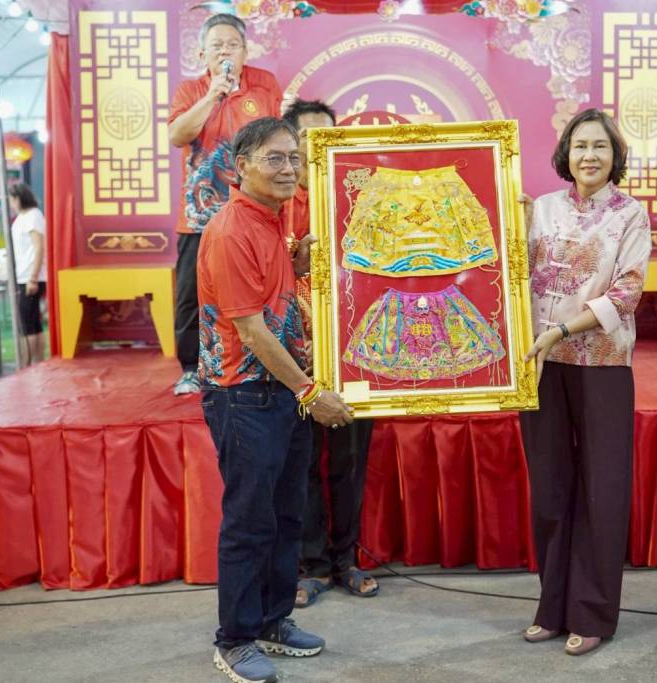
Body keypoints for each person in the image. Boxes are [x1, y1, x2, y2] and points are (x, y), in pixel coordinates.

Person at [199, 116, 354, 683]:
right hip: (245, 394)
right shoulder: (230, 230)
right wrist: (311, 391)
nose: (289, 169)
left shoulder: (271, 219)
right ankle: (235, 639)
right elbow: (251, 331)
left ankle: (272, 620)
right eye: (275, 158)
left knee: (287, 514)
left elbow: (266, 293)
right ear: (242, 166)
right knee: (250, 520)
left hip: (282, 393)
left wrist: (294, 264)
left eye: (294, 158)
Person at [517, 108, 651, 656]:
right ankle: (552, 606)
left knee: (602, 491)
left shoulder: (630, 214)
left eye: (599, 146)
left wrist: (561, 330)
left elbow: (628, 292)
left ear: (614, 155)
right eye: (580, 146)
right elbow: (511, 273)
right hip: (539, 365)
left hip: (602, 365)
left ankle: (592, 612)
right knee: (550, 489)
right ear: (565, 154)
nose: (589, 155)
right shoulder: (541, 209)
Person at [281, 98, 379, 607]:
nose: (318, 148)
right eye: (307, 139)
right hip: (291, 360)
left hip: (354, 354)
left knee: (350, 460)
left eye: (328, 137)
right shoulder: (275, 204)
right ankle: (312, 565)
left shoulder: (361, 198)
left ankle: (346, 560)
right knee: (299, 462)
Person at [169, 13, 282, 395]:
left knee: (262, 287)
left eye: (233, 45)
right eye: (217, 45)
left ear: (246, 51)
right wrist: (213, 94)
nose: (225, 51)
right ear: (202, 54)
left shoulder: (265, 84)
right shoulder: (191, 90)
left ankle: (267, 361)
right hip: (200, 216)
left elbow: (278, 139)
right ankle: (190, 368)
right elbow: (177, 135)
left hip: (256, 214)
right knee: (191, 294)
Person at [9, 183, 47, 366]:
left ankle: (26, 364)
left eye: (11, 199)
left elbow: (39, 247)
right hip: (25, 275)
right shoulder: (22, 217)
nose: (10, 204)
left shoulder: (33, 216)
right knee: (34, 323)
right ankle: (38, 363)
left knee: (27, 324)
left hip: (31, 277)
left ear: (18, 198)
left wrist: (33, 278)